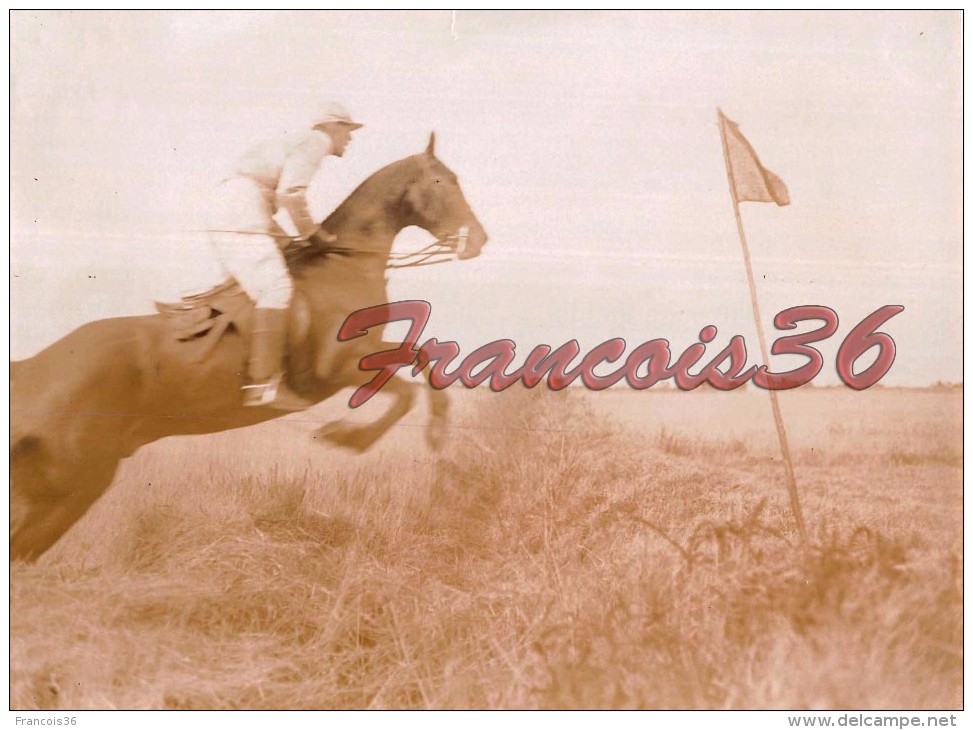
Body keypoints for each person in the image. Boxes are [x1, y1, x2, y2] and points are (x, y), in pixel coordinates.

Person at [207, 101, 363, 409]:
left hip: (246, 206)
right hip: (243, 207)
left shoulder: (298, 141)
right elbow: (290, 193)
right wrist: (313, 234)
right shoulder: (316, 141)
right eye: (348, 129)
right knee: (275, 288)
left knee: (282, 268)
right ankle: (262, 385)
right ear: (332, 127)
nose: (350, 138)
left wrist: (298, 240)